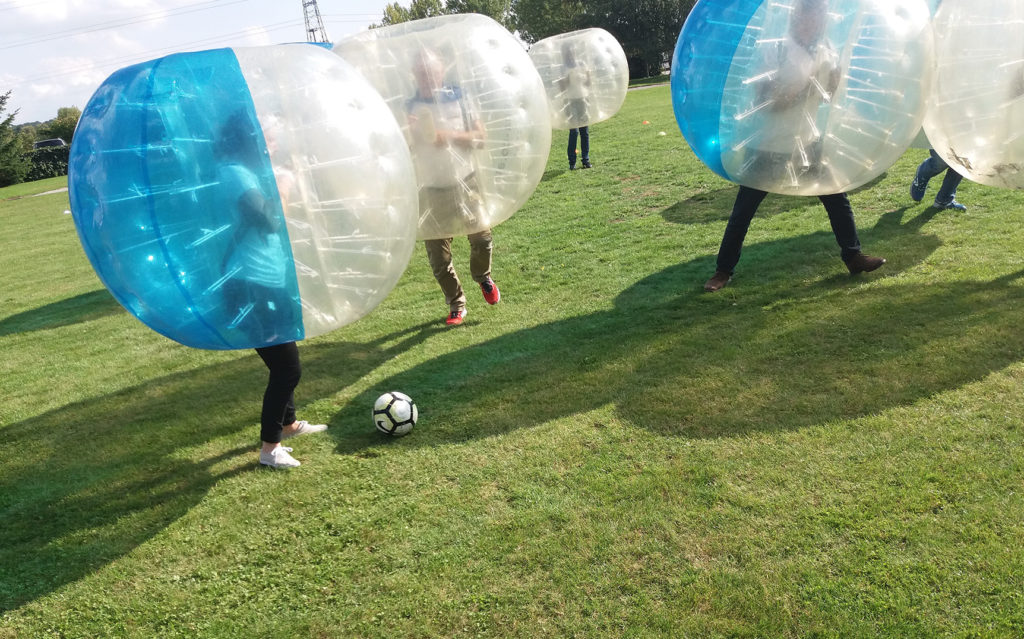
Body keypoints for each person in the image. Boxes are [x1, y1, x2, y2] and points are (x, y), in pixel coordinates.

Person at [704, 0, 885, 292]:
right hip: (769, 145)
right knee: (743, 211)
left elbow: (826, 96)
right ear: (797, 18)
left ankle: (853, 256)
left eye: (821, 17)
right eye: (812, 17)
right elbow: (764, 99)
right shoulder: (775, 49)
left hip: (807, 142)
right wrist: (803, 90)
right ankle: (723, 271)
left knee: (836, 197)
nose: (817, 23)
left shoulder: (825, 48)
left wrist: (832, 83)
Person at [216, 111, 327, 468]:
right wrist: (283, 188)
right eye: (270, 136)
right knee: (287, 369)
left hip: (267, 280)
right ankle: (269, 450)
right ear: (250, 137)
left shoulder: (249, 171)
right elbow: (268, 222)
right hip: (250, 284)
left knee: (285, 355)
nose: (275, 144)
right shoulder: (234, 173)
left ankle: (289, 423)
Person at [407, 48, 500, 326]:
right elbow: (402, 150)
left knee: (481, 239)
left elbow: (480, 138)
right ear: (414, 76)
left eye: (431, 72)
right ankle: (457, 304)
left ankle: (482, 276)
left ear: (442, 71)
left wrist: (445, 135)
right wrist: (410, 134)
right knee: (438, 257)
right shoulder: (410, 107)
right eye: (422, 74)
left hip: (465, 181)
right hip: (431, 189)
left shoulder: (460, 98)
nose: (427, 78)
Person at [562, 43, 592, 170]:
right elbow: (562, 87)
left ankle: (585, 160)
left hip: (582, 99)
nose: (572, 53)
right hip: (570, 100)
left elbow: (588, 83)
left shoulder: (582, 64)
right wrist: (566, 79)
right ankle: (572, 162)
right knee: (574, 132)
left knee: (584, 131)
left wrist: (588, 75)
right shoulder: (564, 67)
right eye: (569, 51)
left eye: (573, 50)